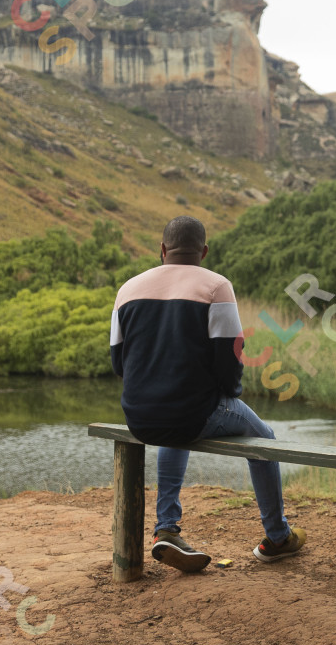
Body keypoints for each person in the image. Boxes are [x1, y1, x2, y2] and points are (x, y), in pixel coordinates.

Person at [110, 215, 307, 571]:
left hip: (139, 416)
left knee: (177, 425)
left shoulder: (128, 289)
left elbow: (118, 361)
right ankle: (277, 537)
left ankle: (166, 529)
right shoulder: (216, 287)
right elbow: (229, 357)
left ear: (162, 249)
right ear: (203, 251)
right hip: (194, 412)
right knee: (266, 440)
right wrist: (229, 395)